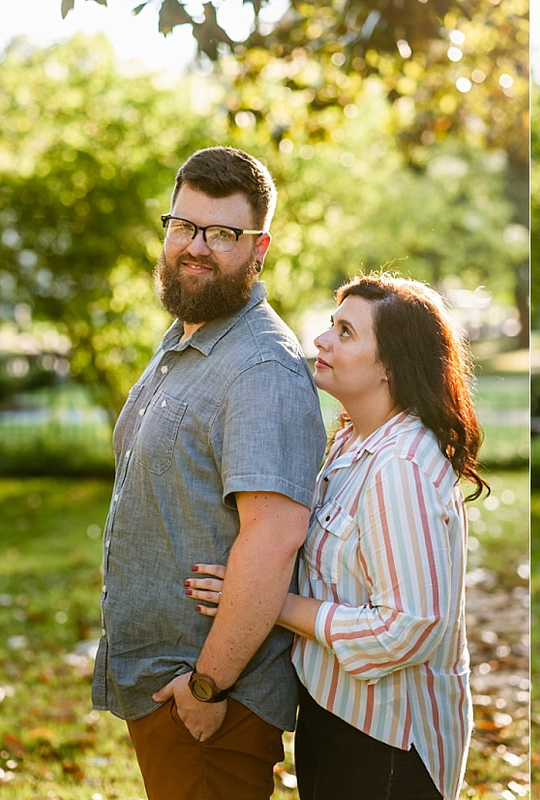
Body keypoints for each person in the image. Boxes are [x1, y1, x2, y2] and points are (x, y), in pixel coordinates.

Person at [186, 272, 488, 800]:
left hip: (390, 742)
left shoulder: (402, 466)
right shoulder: (351, 440)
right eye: (331, 325)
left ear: (392, 363)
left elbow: (411, 627)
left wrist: (264, 603)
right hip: (335, 710)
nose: (323, 340)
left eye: (346, 332)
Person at [91, 146, 328, 798]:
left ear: (260, 247)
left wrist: (206, 685)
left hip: (209, 700)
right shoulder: (184, 341)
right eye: (184, 226)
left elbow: (274, 536)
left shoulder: (260, 367)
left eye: (222, 233)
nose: (197, 247)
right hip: (168, 691)